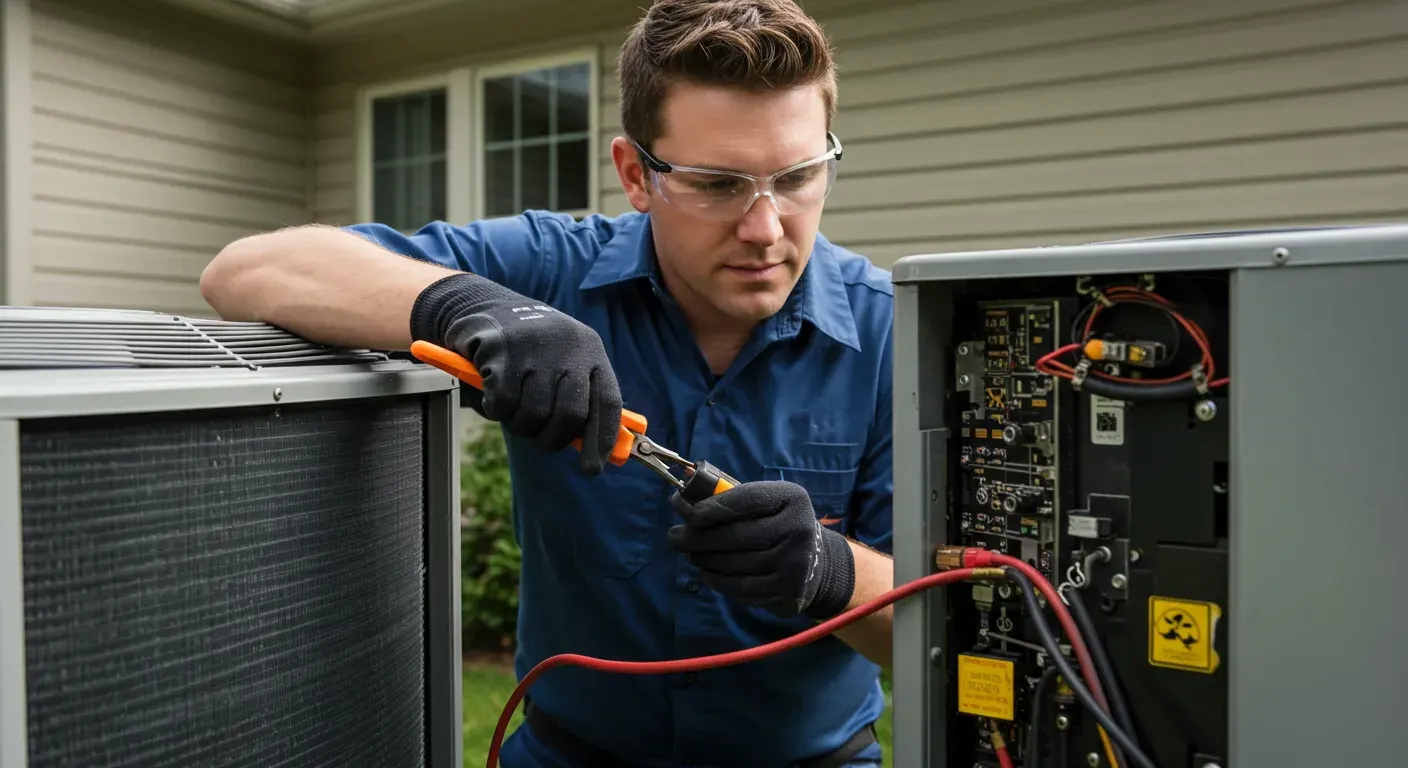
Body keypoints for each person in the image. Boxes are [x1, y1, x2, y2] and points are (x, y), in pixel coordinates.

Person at [200, 0, 895, 765]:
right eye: (718, 185)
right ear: (636, 174)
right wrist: (472, 306)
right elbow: (243, 271)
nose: (766, 227)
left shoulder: (894, 335)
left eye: (798, 176)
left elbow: (957, 631)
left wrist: (834, 575)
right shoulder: (552, 267)